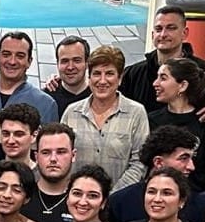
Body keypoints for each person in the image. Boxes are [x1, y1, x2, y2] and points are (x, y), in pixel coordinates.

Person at [121, 6, 205, 131]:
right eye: (158, 29)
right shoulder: (133, 74)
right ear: (152, 35)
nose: (163, 34)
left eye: (171, 28)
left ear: (184, 33)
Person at [62, 45, 150, 191]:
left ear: (120, 78)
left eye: (109, 74)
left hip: (119, 200)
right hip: (77, 199)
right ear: (89, 77)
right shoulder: (71, 112)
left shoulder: (136, 113)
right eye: (97, 74)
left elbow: (139, 163)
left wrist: (113, 197)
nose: (102, 81)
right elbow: (62, 158)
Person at [148, 57, 205, 192]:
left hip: (197, 198)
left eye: (163, 78)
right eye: (157, 77)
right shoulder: (151, 120)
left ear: (182, 85)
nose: (155, 83)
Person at [106, 126, 198, 222]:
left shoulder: (197, 203)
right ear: (158, 162)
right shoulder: (119, 202)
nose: (191, 167)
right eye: (183, 158)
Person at [0, 32, 58, 124]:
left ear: (29, 61)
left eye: (20, 56)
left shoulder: (45, 104)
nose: (12, 62)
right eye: (6, 54)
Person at [0, 103, 42, 186]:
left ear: (34, 136)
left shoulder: (43, 178)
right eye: (6, 134)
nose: (10, 141)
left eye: (18, 134)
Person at [28, 123, 77, 222]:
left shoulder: (81, 203)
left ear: (73, 155)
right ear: (36, 157)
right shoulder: (22, 197)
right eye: (46, 152)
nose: (53, 159)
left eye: (61, 152)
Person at [47, 36, 92, 114]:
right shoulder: (47, 98)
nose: (70, 67)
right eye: (65, 61)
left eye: (77, 60)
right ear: (57, 64)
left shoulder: (98, 94)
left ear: (87, 63)